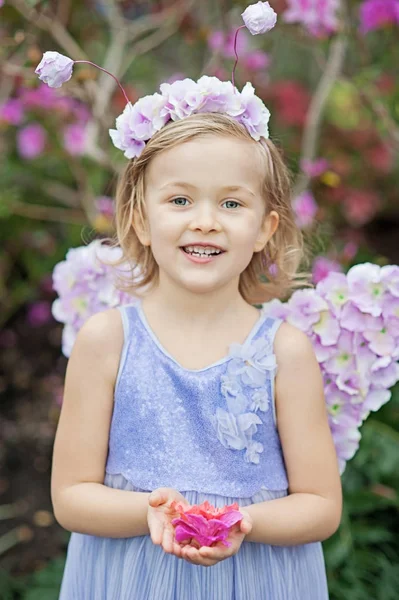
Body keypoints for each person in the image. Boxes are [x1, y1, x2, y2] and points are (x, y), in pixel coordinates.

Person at [51, 109, 342, 599]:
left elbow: (320, 505)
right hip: (131, 578)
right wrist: (147, 511)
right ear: (141, 220)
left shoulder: (284, 352)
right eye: (180, 199)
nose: (205, 222)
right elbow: (70, 497)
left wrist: (242, 522)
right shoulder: (107, 342)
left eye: (231, 203)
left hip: (254, 579)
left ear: (265, 229)